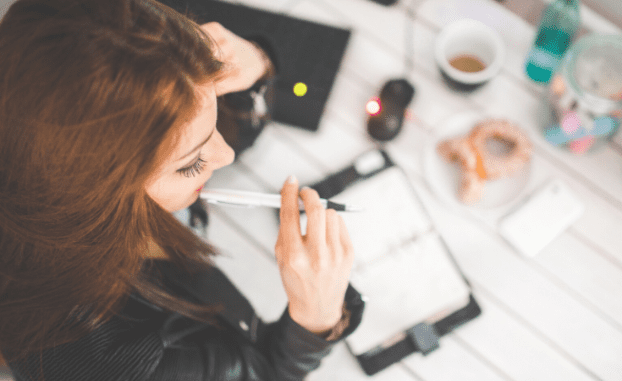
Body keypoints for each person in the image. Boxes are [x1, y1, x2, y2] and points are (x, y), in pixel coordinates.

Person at [0, 0, 364, 380]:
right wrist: (316, 321)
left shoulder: (87, 102)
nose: (224, 156)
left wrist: (256, 63)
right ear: (98, 194)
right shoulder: (112, 363)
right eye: (190, 163)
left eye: (214, 110)